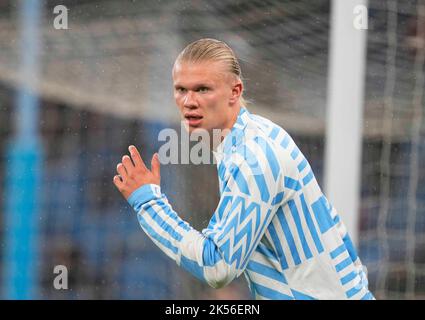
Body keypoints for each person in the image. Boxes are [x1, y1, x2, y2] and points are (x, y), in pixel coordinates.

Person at [113, 38, 374, 300]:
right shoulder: (251, 137)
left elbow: (217, 267)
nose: (189, 101)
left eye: (203, 89)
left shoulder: (254, 161)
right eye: (181, 89)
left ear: (235, 92)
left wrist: (147, 202)